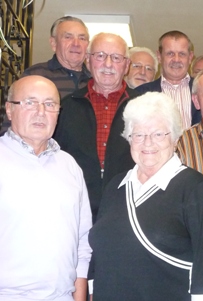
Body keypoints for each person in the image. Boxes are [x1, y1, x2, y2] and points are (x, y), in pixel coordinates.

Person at [88, 92, 203, 300]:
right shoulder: (116, 186)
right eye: (139, 135)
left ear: (175, 138)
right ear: (129, 139)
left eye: (158, 134)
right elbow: (99, 255)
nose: (148, 143)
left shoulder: (192, 187)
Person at [0, 75, 92, 301]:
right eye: (30, 102)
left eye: (50, 104)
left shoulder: (69, 165)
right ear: (10, 110)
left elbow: (82, 240)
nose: (41, 112)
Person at [54, 33, 139, 222]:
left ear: (126, 66)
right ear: (88, 61)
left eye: (116, 58)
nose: (108, 64)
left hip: (130, 211)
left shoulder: (145, 107)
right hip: (74, 210)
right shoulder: (65, 107)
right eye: (100, 56)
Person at [136, 30, 200, 129]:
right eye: (170, 53)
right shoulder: (140, 94)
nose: (176, 59)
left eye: (182, 54)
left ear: (190, 57)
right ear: (159, 56)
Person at [22, 16, 91, 99]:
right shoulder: (35, 75)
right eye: (68, 37)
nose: (76, 44)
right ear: (53, 43)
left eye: (82, 38)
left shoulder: (97, 78)